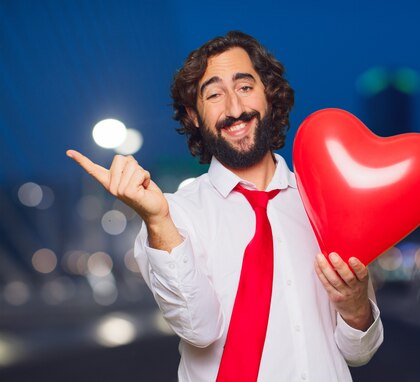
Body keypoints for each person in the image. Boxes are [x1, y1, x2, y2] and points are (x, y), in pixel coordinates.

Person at [67, 30, 383, 382]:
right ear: (194, 115)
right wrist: (157, 220)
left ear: (270, 97)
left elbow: (359, 353)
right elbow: (198, 329)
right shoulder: (173, 218)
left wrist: (357, 309)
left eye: (245, 87)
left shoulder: (326, 204)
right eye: (214, 94)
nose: (234, 108)